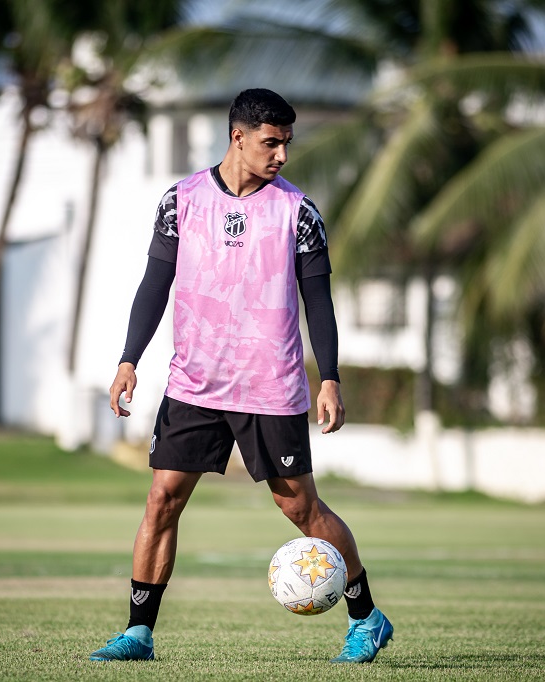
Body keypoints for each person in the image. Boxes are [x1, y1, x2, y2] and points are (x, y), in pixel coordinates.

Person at [89, 88, 393, 664]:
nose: (282, 155)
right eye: (272, 142)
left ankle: (366, 617)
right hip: (194, 382)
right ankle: (138, 633)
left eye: (287, 143)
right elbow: (154, 285)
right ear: (238, 136)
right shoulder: (181, 201)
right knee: (161, 500)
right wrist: (129, 360)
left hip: (270, 386)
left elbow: (319, 302)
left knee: (300, 509)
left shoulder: (298, 212)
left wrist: (329, 378)